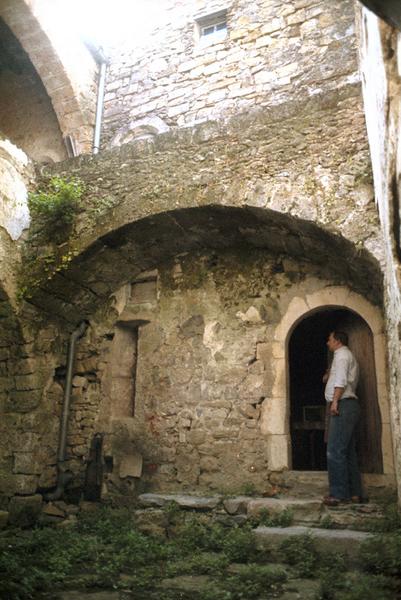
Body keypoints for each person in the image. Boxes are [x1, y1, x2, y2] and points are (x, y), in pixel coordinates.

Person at [322, 330, 363, 506]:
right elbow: (334, 378)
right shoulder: (343, 356)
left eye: (329, 339)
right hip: (348, 405)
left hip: (343, 405)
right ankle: (355, 493)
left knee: (335, 450)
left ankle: (339, 494)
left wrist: (335, 402)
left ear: (337, 341)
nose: (327, 343)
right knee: (348, 452)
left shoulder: (342, 356)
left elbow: (341, 381)